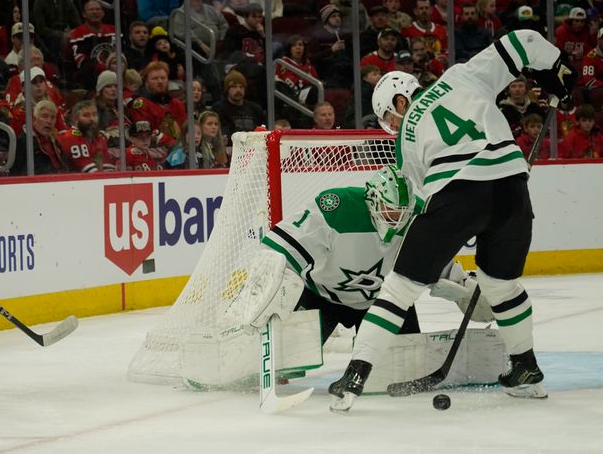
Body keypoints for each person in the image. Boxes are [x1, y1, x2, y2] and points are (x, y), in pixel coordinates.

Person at [328, 29, 578, 411]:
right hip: (513, 190)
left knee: (399, 287)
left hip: (458, 191)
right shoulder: (462, 75)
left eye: (389, 119)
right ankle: (525, 369)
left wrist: (437, 245)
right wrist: (557, 67)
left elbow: (418, 201)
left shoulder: (405, 138)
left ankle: (356, 374)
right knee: (501, 285)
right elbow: (524, 40)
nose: (392, 127)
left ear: (400, 99)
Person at [244, 166, 488, 355]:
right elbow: (278, 250)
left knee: (400, 365)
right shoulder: (337, 209)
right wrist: (267, 294)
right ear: (372, 200)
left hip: (385, 302)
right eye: (390, 210)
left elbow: (436, 263)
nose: (396, 220)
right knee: (289, 360)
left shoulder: (419, 218)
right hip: (323, 297)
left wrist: (465, 289)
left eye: (403, 213)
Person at [11, 99, 68, 175]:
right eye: (44, 116)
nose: (49, 121)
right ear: (34, 119)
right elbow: (17, 172)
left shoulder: (54, 142)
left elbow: (66, 166)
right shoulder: (24, 142)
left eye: (52, 117)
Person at [58, 99, 115, 173]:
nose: (92, 119)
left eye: (94, 114)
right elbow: (87, 170)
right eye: (86, 115)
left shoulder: (98, 138)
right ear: (75, 119)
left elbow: (107, 167)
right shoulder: (70, 137)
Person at [211, 70, 264, 145]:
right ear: (227, 89)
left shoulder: (255, 109)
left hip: (253, 148)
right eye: (234, 87)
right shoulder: (219, 109)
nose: (238, 90)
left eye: (241, 87)